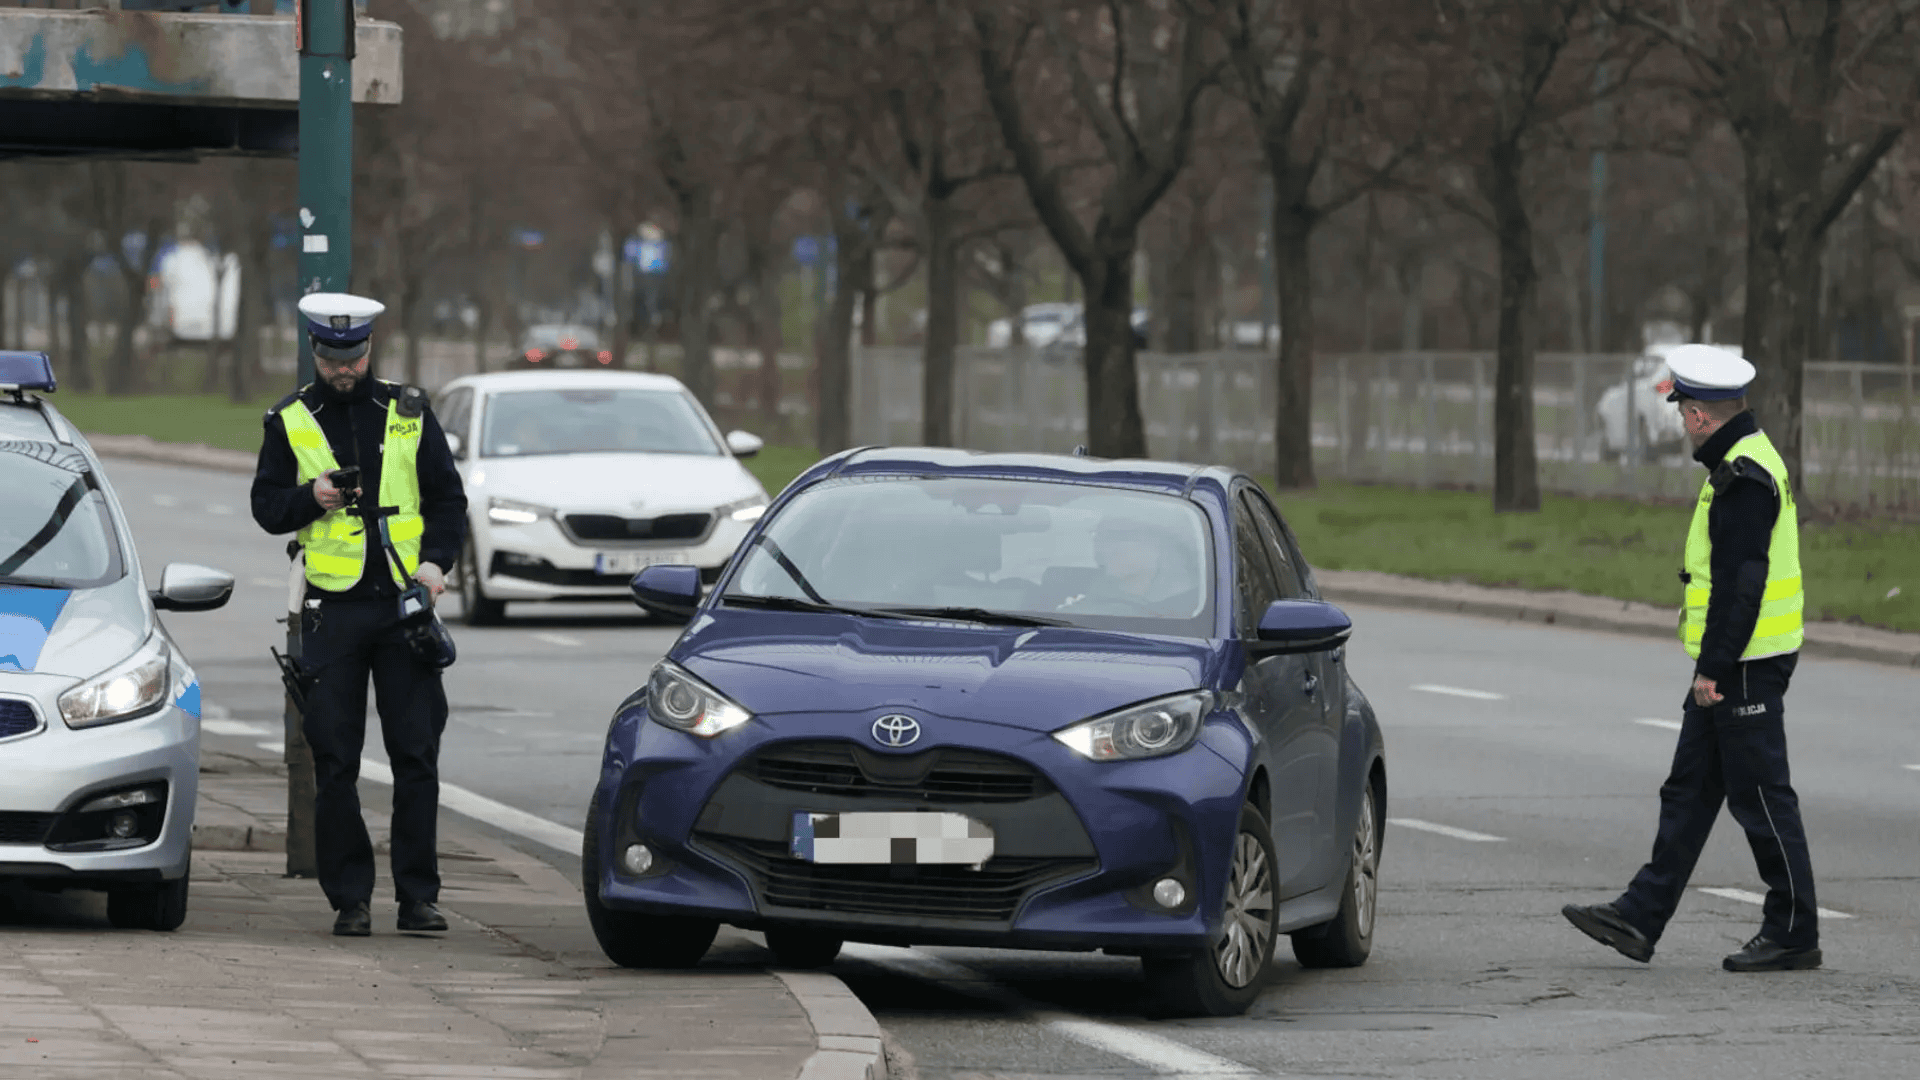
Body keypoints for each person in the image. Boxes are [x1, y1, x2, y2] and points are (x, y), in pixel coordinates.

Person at [1562, 343, 1819, 973]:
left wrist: (1713, 670)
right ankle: (1639, 915)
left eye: (1683, 413)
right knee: (1689, 790)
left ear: (1701, 415)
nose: (1681, 423)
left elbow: (1742, 586)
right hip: (1736, 658)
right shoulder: (1739, 460)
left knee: (1761, 798)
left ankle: (1793, 932)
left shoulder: (1744, 477)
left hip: (1746, 663)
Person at [250, 292, 469, 937]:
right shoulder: (289, 419)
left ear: (370, 349)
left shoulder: (407, 412)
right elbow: (266, 508)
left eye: (353, 358)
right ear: (314, 352)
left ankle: (418, 897)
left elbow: (448, 501)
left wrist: (436, 566)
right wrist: (312, 497)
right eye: (331, 359)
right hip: (333, 611)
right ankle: (350, 900)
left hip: (404, 606)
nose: (343, 370)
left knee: (416, 755)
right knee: (335, 760)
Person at [1057, 515, 1200, 617]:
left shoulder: (1191, 607)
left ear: (1154, 546)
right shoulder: (1088, 591)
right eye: (1098, 536)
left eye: (1117, 537)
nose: (1102, 547)